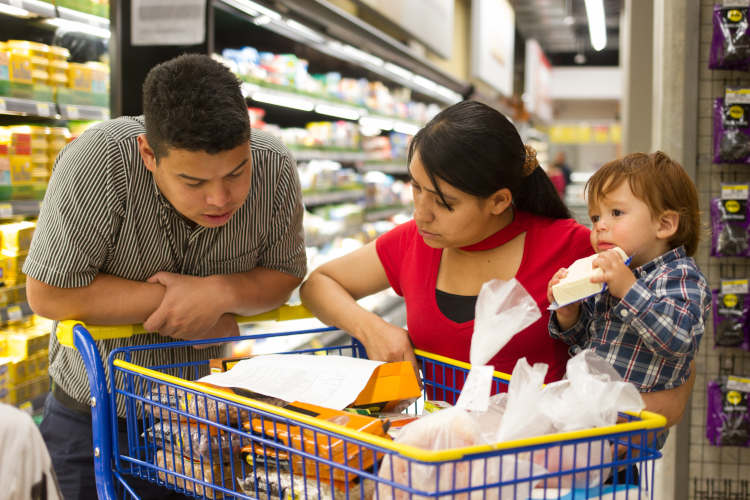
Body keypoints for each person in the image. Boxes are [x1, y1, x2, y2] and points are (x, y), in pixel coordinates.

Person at [24, 54, 306, 499]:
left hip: (202, 419)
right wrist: (188, 310)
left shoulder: (274, 166)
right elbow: (49, 292)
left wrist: (217, 293)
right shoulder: (98, 162)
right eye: (194, 182)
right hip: (94, 418)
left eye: (236, 173)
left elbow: (284, 273)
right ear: (149, 154)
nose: (219, 198)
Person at [300, 100, 594, 390]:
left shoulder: (572, 247)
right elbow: (318, 285)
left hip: (538, 435)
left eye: (443, 202)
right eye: (416, 188)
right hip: (436, 433)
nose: (421, 213)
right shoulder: (412, 242)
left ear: (499, 201)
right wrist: (373, 329)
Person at [547, 151, 710, 440]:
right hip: (584, 418)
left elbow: (679, 341)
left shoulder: (680, 276)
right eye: (595, 216)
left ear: (664, 225)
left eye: (616, 213)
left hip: (627, 436)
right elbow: (588, 341)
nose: (599, 225)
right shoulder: (612, 272)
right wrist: (569, 315)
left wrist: (629, 290)